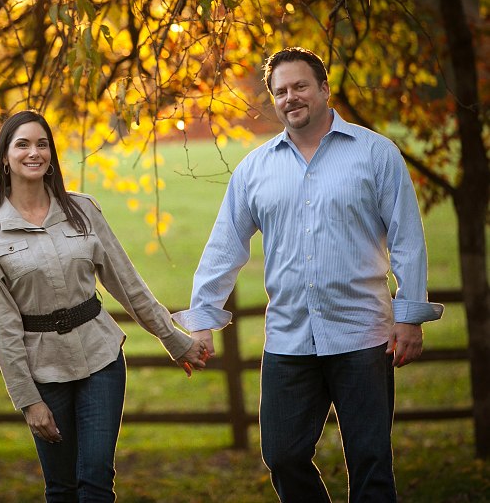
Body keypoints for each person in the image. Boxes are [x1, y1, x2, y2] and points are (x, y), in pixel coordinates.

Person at [172, 47, 443, 502]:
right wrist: (203, 318)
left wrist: (410, 314)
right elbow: (224, 247)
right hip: (289, 339)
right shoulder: (255, 169)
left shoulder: (375, 154)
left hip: (363, 335)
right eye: (280, 91)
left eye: (300, 86)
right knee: (282, 454)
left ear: (324, 89)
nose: (290, 97)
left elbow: (407, 239)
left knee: (370, 462)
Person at [0, 109, 208, 502]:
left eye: (42, 144)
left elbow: (127, 284)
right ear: (5, 158)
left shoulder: (83, 210)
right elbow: (2, 326)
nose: (34, 152)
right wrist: (28, 400)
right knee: (61, 488)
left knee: (96, 480)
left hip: (101, 359)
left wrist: (173, 338)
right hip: (44, 373)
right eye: (22, 144)